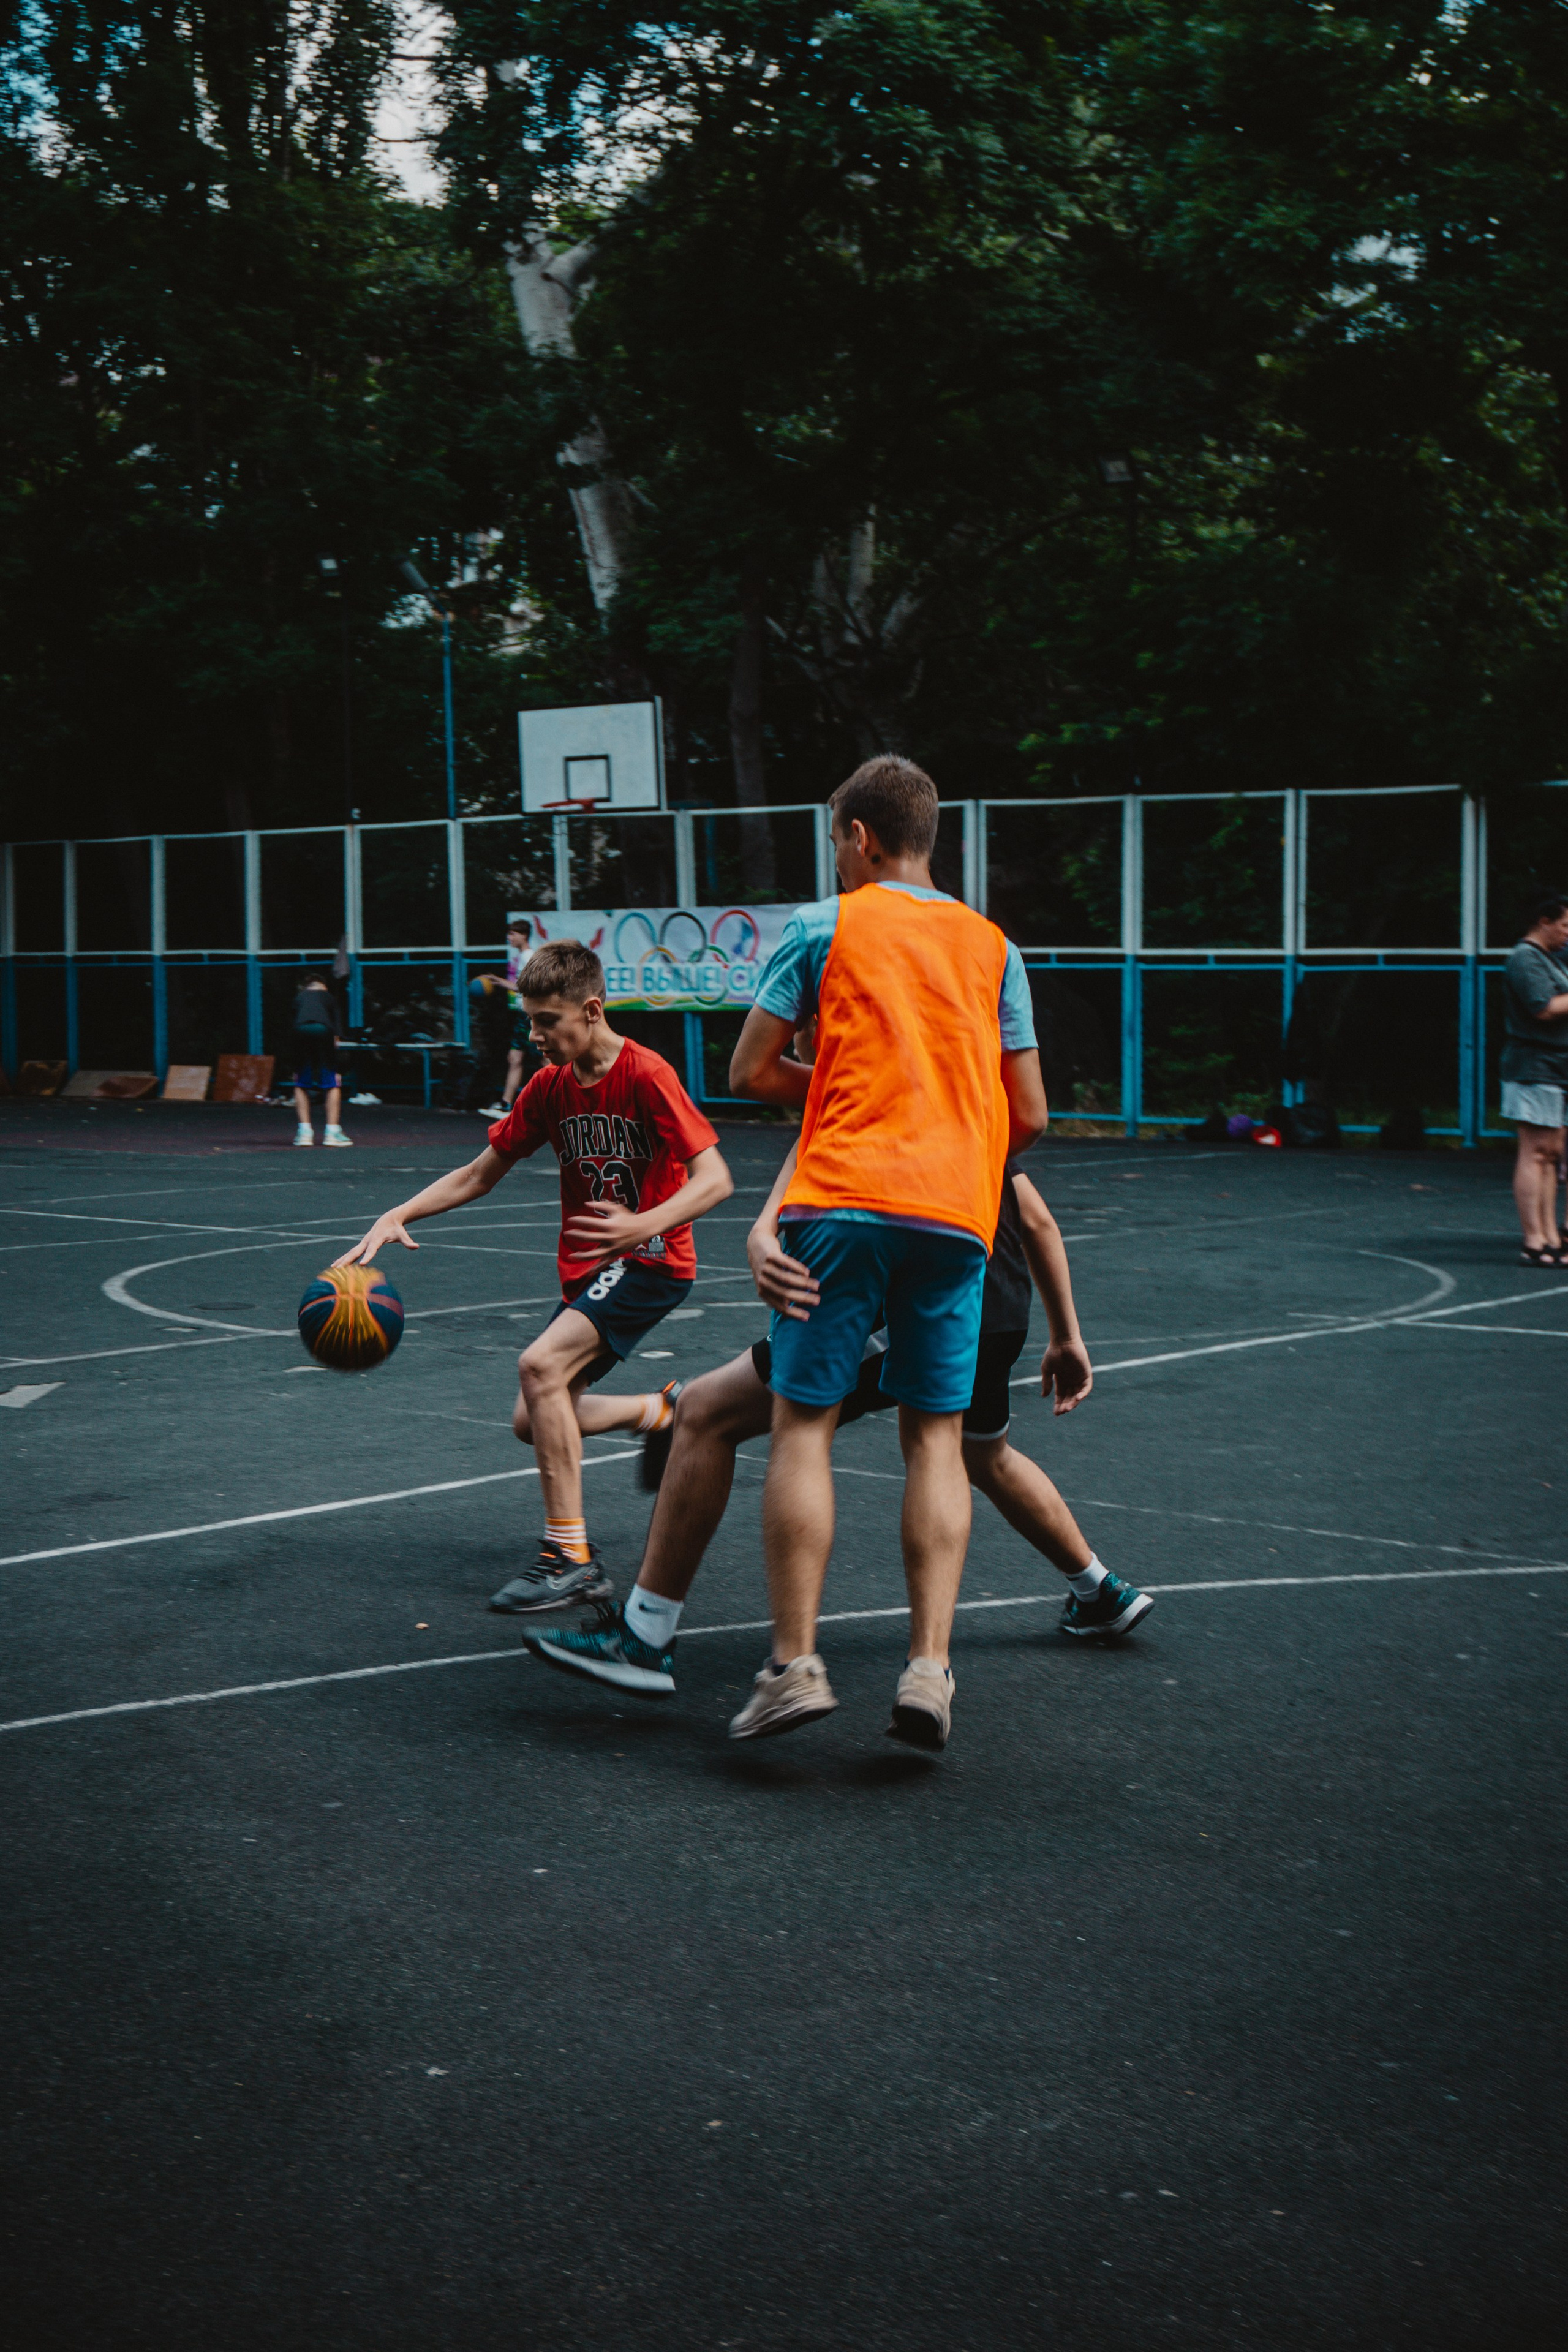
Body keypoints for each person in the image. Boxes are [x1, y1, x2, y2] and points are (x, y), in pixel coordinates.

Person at [524, 1149, 1153, 1698]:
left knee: (707, 1411)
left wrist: (768, 1233)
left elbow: (774, 1101)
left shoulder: (865, 1082)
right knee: (983, 1454)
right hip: (999, 1307)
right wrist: (1066, 1334)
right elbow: (1036, 1218)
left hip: (910, 1300)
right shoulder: (964, 1085)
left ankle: (649, 1633)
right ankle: (1099, 1590)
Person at [723, 755, 1047, 1751]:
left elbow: (750, 1069)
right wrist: (950, 1137)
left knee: (805, 1426)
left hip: (844, 1198)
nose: (836, 856)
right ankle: (928, 1668)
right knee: (939, 1439)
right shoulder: (994, 945)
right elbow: (1028, 1110)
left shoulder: (825, 925)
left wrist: (847, 1090)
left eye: (835, 840)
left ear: (860, 836)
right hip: (956, 1215)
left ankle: (794, 1664)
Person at [335, 938, 733, 1608]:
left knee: (540, 1367)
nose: (536, 1034)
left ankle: (569, 1556)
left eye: (548, 1021)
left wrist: (645, 1224)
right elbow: (478, 1174)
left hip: (650, 1261)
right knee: (533, 1416)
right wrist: (397, 1212)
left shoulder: (647, 1075)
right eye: (530, 1020)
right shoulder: (549, 1088)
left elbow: (716, 1178)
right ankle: (662, 1411)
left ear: (592, 1010)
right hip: (592, 1270)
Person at [1501, 893, 1568, 1266]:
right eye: (1564, 925)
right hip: (1534, 1064)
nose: (1567, 934)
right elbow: (1543, 1008)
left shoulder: (1548, 959)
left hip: (1556, 1065)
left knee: (1552, 1153)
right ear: (1544, 921)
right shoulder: (1525, 958)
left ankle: (1550, 1235)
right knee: (1535, 1152)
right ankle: (1533, 1238)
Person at [290, 975, 351, 1147]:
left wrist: (295, 1065)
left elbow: (293, 1027)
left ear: (307, 987)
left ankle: (304, 1133)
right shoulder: (329, 998)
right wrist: (336, 1067)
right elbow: (336, 1037)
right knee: (331, 1082)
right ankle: (332, 1132)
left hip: (300, 1031)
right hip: (324, 1030)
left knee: (300, 1081)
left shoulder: (299, 998)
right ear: (323, 986)